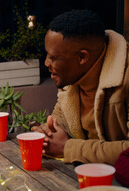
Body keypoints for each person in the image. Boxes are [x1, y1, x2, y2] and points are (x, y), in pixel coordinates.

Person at [32, 9, 129, 165]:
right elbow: (58, 123)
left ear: (82, 57)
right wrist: (45, 134)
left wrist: (68, 148)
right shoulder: (71, 82)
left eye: (54, 57)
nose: (46, 63)